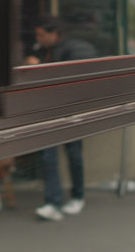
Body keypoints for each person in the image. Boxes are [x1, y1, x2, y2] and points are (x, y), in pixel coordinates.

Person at [27, 16, 96, 221]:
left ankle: (77, 196)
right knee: (48, 155)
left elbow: (68, 76)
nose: (38, 38)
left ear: (55, 34)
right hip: (48, 110)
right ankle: (53, 200)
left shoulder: (74, 49)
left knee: (73, 154)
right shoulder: (40, 49)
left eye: (42, 34)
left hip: (69, 109)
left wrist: (39, 65)